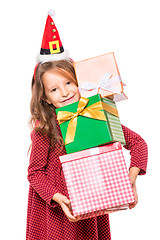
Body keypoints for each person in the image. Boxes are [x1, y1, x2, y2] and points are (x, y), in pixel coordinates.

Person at [26, 11, 148, 240]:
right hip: (57, 209)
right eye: (54, 89)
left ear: (78, 80)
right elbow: (35, 173)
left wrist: (130, 180)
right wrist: (56, 196)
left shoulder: (95, 114)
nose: (64, 93)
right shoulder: (44, 129)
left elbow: (138, 143)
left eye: (68, 83)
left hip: (90, 201)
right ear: (45, 97)